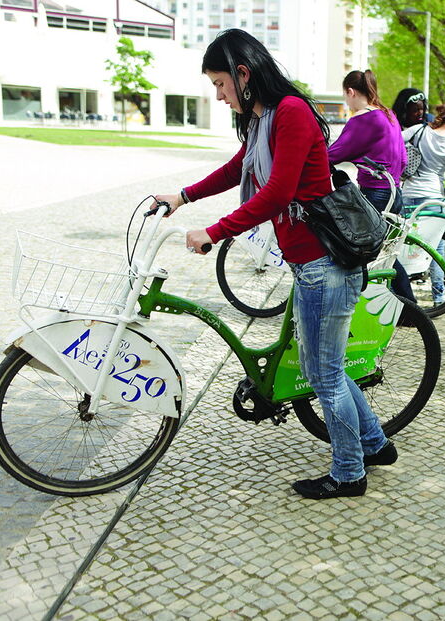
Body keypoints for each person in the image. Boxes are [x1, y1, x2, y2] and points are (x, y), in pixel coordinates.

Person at [151, 29, 396, 500]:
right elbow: (236, 169)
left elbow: (279, 191)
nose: (220, 96)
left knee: (324, 373)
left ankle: (350, 473)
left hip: (326, 265)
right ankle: (374, 443)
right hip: (310, 265)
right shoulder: (263, 121)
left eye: (221, 84)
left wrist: (216, 231)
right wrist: (183, 196)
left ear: (243, 74)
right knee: (324, 366)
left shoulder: (292, 114)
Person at [327, 69, 414, 301]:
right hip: (394, 192)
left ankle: (397, 304)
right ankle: (406, 304)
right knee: (386, 252)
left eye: (345, 96)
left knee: (362, 250)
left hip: (375, 194)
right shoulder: (388, 114)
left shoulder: (364, 118)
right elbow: (403, 159)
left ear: (351, 91)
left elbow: (337, 152)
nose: (346, 101)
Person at [401, 103, 445, 305]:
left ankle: (399, 294)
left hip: (408, 196)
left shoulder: (419, 130)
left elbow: (393, 141)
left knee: (404, 245)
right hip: (433, 199)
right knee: (436, 250)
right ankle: (438, 299)